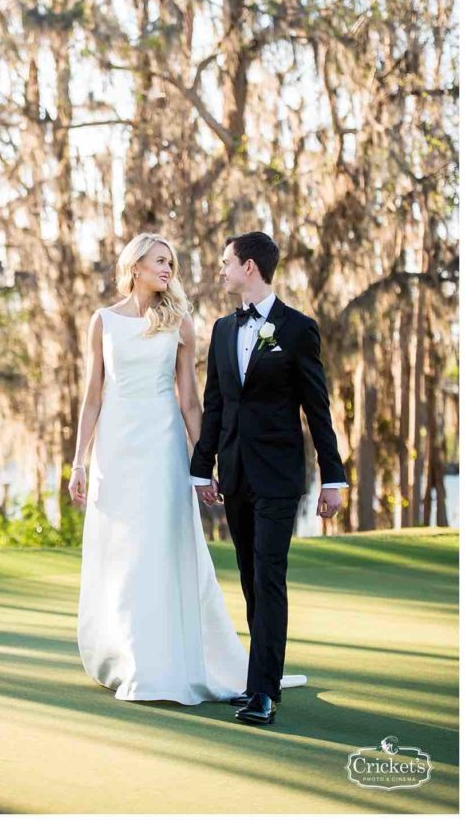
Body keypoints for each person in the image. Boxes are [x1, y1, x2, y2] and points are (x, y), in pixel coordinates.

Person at [69, 232, 306, 706]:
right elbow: (93, 396)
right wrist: (79, 460)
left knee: (159, 545)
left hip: (162, 448)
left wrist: (205, 463)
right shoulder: (103, 322)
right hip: (115, 449)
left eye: (171, 263)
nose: (168, 270)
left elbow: (192, 403)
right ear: (134, 266)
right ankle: (125, 653)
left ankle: (163, 660)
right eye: (160, 261)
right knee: (122, 552)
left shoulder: (181, 323)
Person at [190, 231, 348, 725]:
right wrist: (201, 467)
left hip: (280, 476)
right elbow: (215, 404)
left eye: (226, 262)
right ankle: (263, 678)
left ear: (251, 267)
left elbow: (317, 409)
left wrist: (334, 478)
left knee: (269, 574)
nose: (221, 269)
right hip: (233, 473)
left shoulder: (298, 329)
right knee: (252, 581)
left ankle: (262, 692)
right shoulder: (220, 329)